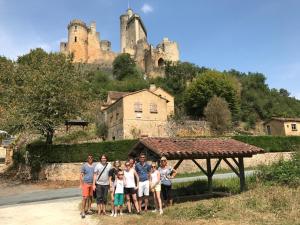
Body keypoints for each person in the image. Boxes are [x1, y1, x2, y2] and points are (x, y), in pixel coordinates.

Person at [80, 154, 94, 219]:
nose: (90, 159)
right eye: (89, 158)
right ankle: (83, 211)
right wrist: (81, 184)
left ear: (92, 158)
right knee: (85, 198)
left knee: (90, 197)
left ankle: (88, 209)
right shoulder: (84, 166)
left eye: (91, 158)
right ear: (87, 159)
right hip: (86, 183)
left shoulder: (94, 166)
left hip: (92, 184)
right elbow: (81, 175)